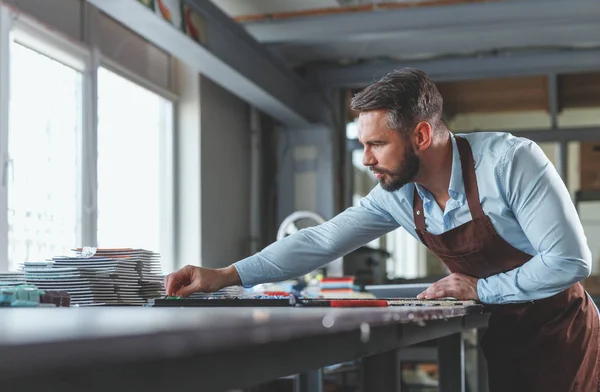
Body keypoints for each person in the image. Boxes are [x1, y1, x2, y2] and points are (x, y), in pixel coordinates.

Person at [164, 68, 599, 391]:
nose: (366, 159)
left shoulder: (510, 162)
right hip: (506, 334)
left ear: (421, 136)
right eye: (362, 145)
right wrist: (225, 275)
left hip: (564, 331)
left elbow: (570, 261)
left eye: (376, 145)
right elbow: (322, 239)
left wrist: (482, 290)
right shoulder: (396, 193)